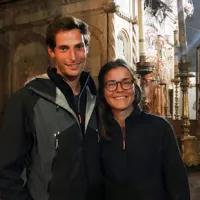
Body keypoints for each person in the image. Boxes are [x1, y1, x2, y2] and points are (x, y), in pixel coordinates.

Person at [0, 16, 102, 200]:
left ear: (86, 49)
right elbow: (7, 174)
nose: (73, 57)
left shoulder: (96, 98)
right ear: (51, 51)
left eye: (79, 47)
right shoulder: (27, 99)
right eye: (64, 48)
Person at [97, 58, 190, 200]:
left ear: (135, 86)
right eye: (111, 84)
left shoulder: (160, 128)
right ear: (103, 91)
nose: (119, 89)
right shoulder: (96, 131)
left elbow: (178, 185)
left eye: (126, 82)